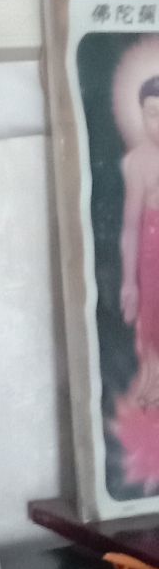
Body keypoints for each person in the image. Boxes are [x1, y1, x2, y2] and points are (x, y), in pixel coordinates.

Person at [119, 76, 159, 404]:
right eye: (153, 113)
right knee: (150, 321)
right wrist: (128, 282)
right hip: (152, 249)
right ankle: (153, 382)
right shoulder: (138, 162)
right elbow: (131, 226)